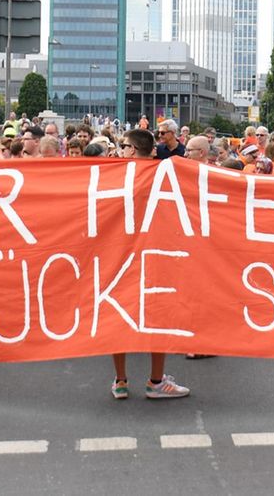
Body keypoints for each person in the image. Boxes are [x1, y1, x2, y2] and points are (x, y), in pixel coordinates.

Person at [110, 129, 190, 400]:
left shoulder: (112, 177)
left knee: (116, 317)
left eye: (122, 146)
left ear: (132, 150)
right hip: (157, 254)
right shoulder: (165, 176)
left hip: (118, 255)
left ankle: (120, 381)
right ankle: (156, 381)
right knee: (157, 315)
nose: (119, 150)